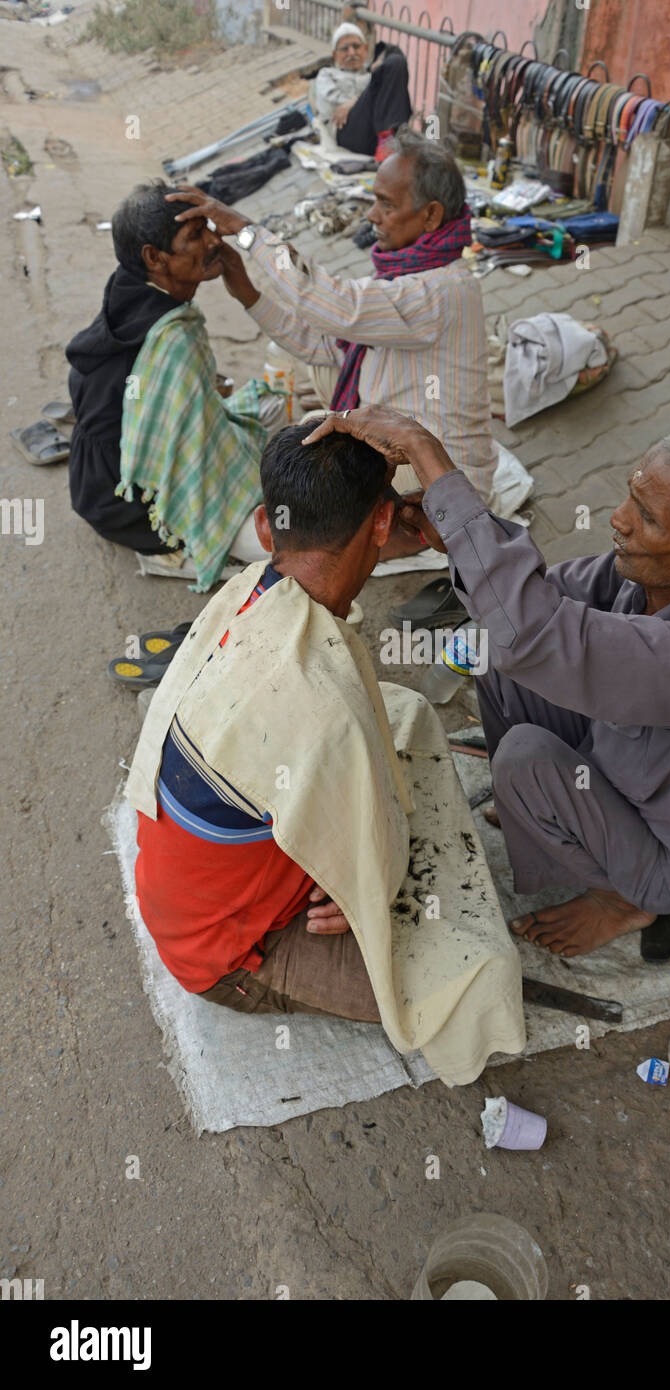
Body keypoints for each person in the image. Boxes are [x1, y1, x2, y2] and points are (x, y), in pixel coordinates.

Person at [302, 406, 670, 959]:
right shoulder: (652, 573)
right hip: (610, 772)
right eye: (631, 495)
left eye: (649, 518)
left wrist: (427, 455)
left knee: (524, 754)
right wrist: (459, 536)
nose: (620, 518)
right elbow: (531, 604)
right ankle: (543, 816)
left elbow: (536, 633)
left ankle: (626, 898)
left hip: (669, 863)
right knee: (494, 652)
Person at [123, 422, 525, 1080]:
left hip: (187, 890)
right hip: (227, 955)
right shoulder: (322, 710)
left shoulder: (246, 590)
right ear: (381, 525)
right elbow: (371, 853)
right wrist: (360, 883)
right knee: (477, 976)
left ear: (263, 526)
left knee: (404, 714)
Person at [168, 129, 504, 528]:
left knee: (311, 472)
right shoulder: (414, 272)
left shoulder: (440, 291)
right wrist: (247, 292)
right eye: (373, 201)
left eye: (386, 204)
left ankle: (402, 531)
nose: (371, 216)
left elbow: (331, 304)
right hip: (409, 435)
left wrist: (247, 231)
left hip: (443, 475)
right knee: (324, 368)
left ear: (431, 215)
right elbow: (321, 342)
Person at [66, 181, 286, 588]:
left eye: (208, 227)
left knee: (274, 408)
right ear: (155, 257)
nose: (213, 241)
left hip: (93, 483)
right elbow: (195, 459)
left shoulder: (130, 286)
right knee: (290, 541)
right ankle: (177, 547)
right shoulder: (173, 338)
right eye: (195, 235)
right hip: (131, 506)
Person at [314, 21, 412, 161]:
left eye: (356, 46)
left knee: (396, 60)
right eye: (344, 49)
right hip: (349, 134)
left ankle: (388, 140)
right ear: (335, 55)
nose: (352, 53)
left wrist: (355, 99)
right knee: (385, 72)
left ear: (365, 49)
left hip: (376, 132)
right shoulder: (327, 75)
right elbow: (336, 110)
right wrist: (366, 93)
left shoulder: (371, 72)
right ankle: (387, 141)